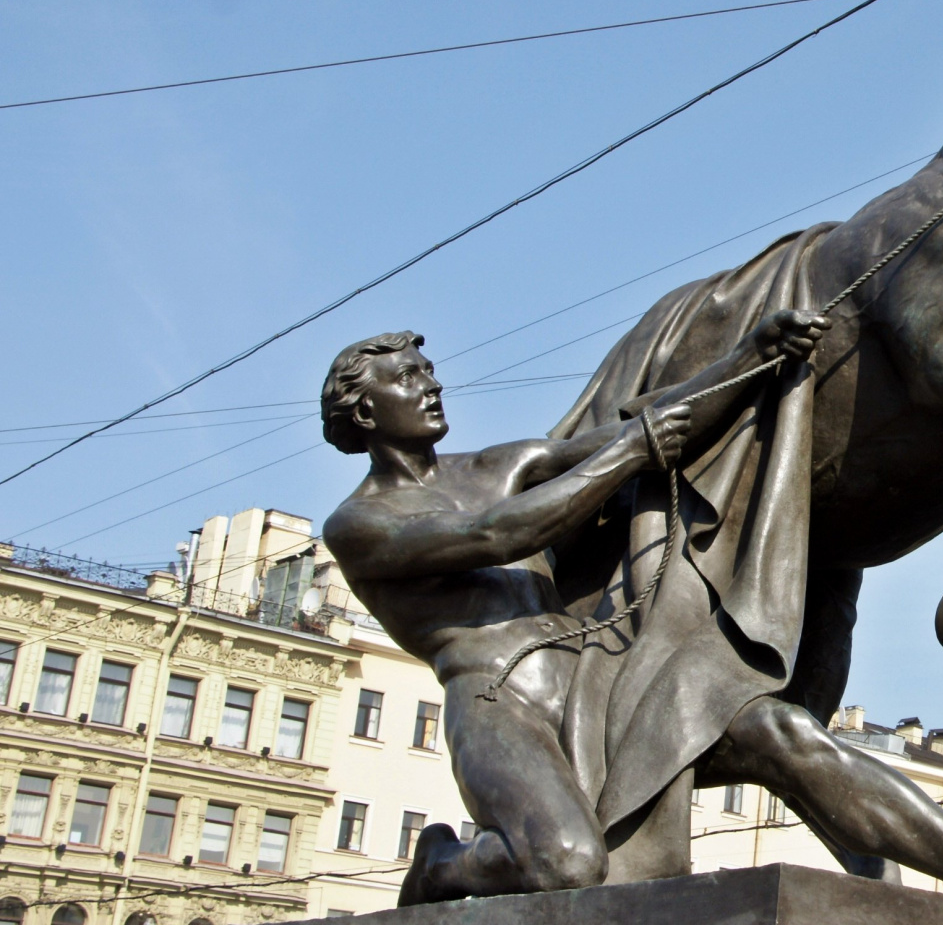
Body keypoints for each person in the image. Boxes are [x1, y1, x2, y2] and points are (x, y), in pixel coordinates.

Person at [320, 309, 828, 904]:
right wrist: (629, 453)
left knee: (764, 727)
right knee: (566, 863)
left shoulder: (497, 464)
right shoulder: (358, 524)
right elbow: (494, 535)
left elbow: (633, 434)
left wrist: (749, 356)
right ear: (364, 412)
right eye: (408, 377)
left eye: (430, 372)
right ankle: (441, 864)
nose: (432, 386)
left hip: (587, 675)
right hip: (495, 696)